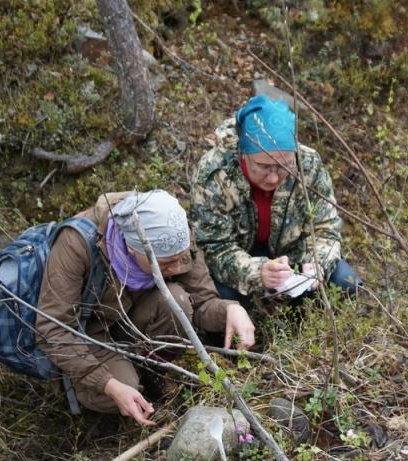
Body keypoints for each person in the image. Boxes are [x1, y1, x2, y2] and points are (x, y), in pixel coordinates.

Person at [35, 190, 255, 425]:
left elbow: (203, 302)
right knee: (122, 387)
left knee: (176, 301)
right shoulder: (76, 244)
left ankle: (154, 373)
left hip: (134, 318)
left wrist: (231, 309)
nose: (174, 269)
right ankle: (108, 397)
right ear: (132, 248)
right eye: (164, 263)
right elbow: (52, 329)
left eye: (179, 259)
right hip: (91, 336)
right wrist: (107, 384)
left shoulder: (175, 231)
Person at [190, 94, 360, 304]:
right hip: (240, 255)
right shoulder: (215, 173)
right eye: (263, 166)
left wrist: (317, 263)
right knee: (223, 298)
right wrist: (257, 271)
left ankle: (305, 328)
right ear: (243, 152)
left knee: (346, 282)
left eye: (283, 166)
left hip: (294, 255)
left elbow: (326, 228)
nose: (273, 177)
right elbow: (212, 246)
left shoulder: (308, 164)